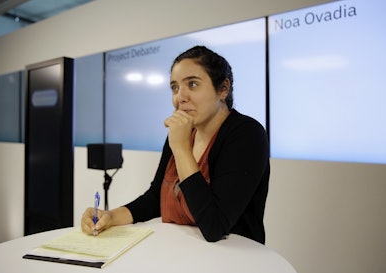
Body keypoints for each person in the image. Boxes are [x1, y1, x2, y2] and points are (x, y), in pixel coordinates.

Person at [81, 45, 270, 243]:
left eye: (193, 84)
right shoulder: (182, 133)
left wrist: (181, 148)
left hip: (235, 259)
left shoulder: (247, 134)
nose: (180, 97)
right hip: (183, 252)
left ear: (223, 89)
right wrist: (111, 217)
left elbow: (214, 226)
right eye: (175, 87)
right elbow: (155, 199)